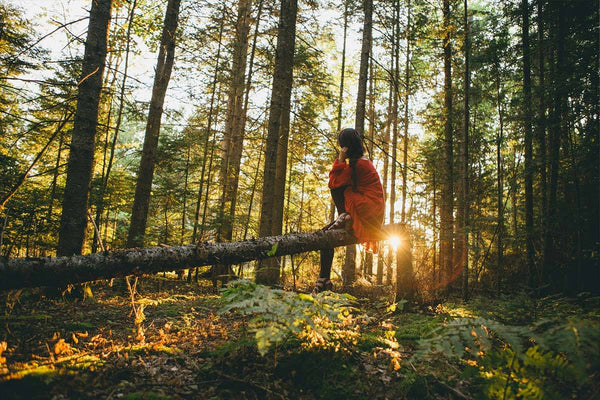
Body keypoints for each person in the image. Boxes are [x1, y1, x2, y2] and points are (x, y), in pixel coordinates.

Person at [313, 128, 385, 293]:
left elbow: (333, 182)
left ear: (345, 146)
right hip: (369, 210)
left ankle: (323, 279)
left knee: (337, 186)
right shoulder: (361, 162)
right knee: (326, 234)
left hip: (366, 210)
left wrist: (340, 159)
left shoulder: (357, 165)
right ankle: (323, 279)